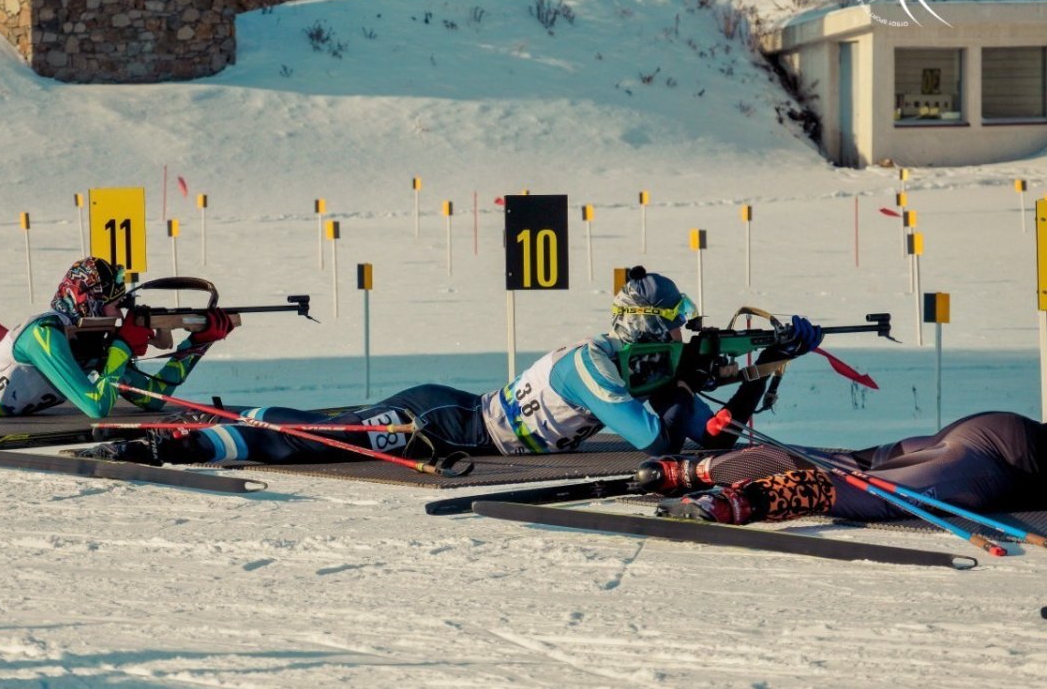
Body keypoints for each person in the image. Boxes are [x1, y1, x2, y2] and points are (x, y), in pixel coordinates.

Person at [76, 265, 823, 466]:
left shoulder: (638, 367)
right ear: (644, 330)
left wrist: (765, 369)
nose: (681, 342)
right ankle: (187, 438)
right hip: (450, 421)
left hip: (467, 424)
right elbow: (654, 440)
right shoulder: (597, 366)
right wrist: (699, 384)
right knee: (315, 440)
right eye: (672, 330)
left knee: (331, 429)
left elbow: (712, 433)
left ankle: (236, 421)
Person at [0, 256, 234, 423]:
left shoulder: (92, 345)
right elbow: (96, 407)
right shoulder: (44, 334)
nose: (122, 314)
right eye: (116, 306)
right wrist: (120, 348)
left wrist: (196, 345)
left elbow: (151, 399)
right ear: (90, 303)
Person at [648, 412, 1047, 525]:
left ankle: (691, 472)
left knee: (850, 463)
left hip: (982, 431)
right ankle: (748, 500)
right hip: (996, 459)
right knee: (882, 494)